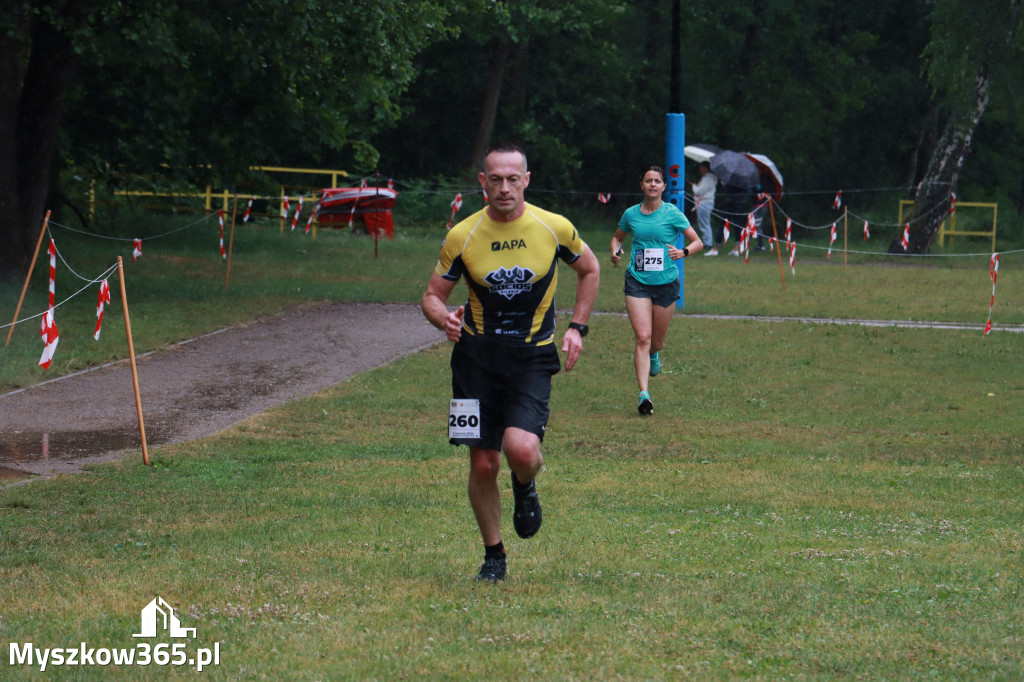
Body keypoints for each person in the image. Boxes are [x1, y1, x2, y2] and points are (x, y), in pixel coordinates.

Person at [422, 143, 600, 583]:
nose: (505, 188)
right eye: (495, 179)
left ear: (527, 180)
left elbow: (591, 269)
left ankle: (526, 484)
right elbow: (431, 296)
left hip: (531, 357)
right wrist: (442, 318)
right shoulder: (462, 235)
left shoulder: (553, 227)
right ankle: (494, 555)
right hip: (473, 361)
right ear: (483, 183)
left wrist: (577, 326)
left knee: (521, 450)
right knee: (482, 463)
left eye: (512, 179)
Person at [610, 166, 702, 415]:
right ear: (642, 185)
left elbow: (697, 242)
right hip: (637, 281)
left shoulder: (672, 213)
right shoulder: (631, 214)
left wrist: (682, 252)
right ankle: (644, 395)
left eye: (657, 181)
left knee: (656, 342)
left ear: (663, 187)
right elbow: (618, 238)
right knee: (642, 336)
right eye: (648, 180)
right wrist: (615, 251)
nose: (652, 184)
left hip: (665, 283)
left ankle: (653, 355)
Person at [691, 161, 718, 254]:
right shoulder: (707, 178)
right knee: (705, 223)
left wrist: (694, 186)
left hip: (705, 202)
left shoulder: (708, 178)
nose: (700, 169)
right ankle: (707, 242)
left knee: (704, 223)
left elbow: (699, 191)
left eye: (701, 167)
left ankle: (708, 243)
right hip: (706, 202)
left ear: (706, 168)